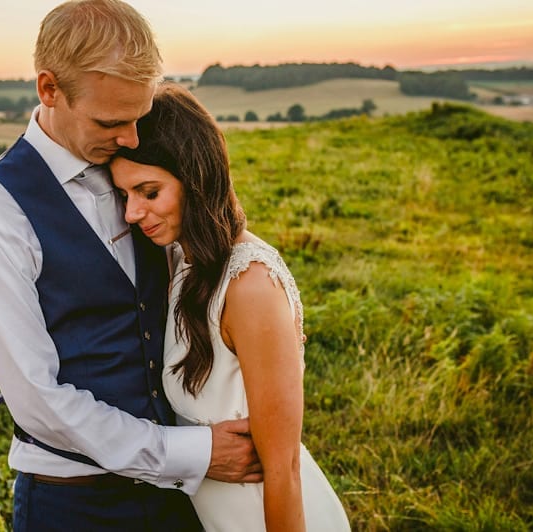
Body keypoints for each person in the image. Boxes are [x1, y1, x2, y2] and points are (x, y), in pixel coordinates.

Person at [0, 1, 259, 530]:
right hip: (75, 502)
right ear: (49, 89)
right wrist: (189, 451)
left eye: (138, 118)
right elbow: (37, 401)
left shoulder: (135, 161)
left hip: (188, 496)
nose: (133, 139)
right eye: (111, 121)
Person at [110, 83, 352, 531]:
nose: (131, 213)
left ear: (195, 178)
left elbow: (284, 469)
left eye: (148, 192)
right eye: (124, 195)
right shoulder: (183, 258)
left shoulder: (250, 286)